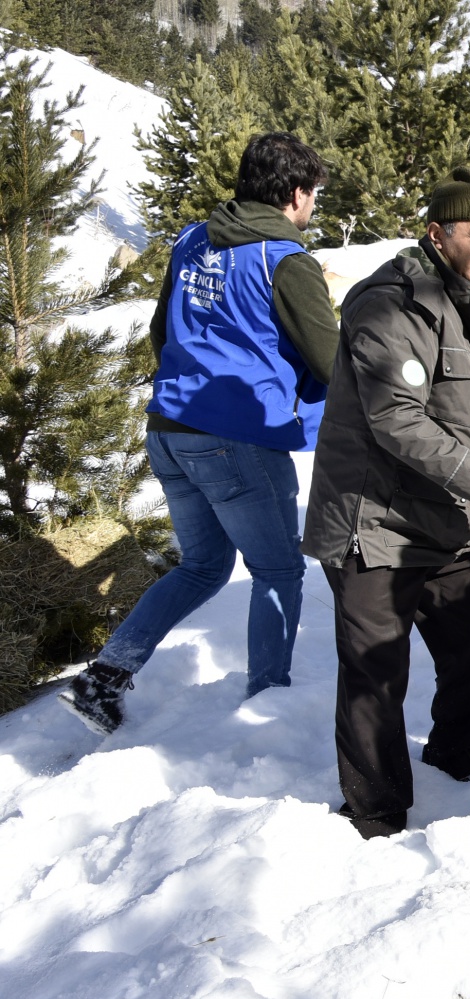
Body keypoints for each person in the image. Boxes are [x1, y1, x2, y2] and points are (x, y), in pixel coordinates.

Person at [302, 168, 470, 839]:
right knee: (376, 677)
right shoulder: (388, 305)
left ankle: (451, 767)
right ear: (436, 234)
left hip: (442, 517)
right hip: (375, 521)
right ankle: (376, 817)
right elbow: (397, 417)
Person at [60, 133, 335, 736]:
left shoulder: (193, 239)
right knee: (279, 571)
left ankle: (104, 678)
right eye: (313, 193)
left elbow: (162, 330)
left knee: (204, 566)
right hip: (237, 434)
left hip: (169, 428)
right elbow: (330, 360)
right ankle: (269, 701)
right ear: (295, 194)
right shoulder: (286, 260)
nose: (313, 205)